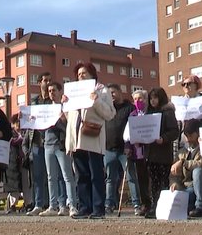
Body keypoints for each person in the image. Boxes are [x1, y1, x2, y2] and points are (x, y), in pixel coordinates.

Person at [63, 63, 115, 219]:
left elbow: (110, 114)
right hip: (77, 139)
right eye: (78, 74)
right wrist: (65, 104)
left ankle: (98, 209)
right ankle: (85, 207)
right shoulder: (73, 92)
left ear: (92, 74)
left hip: (92, 138)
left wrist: (97, 100)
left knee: (96, 175)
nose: (81, 76)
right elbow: (69, 118)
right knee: (81, 175)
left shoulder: (101, 90)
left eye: (84, 73)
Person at [39, 81, 78, 216]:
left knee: (67, 176)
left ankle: (72, 205)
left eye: (54, 90)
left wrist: (63, 120)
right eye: (49, 91)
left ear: (60, 91)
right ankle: (53, 206)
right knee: (51, 177)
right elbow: (41, 127)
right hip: (48, 144)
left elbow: (71, 127)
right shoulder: (46, 108)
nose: (51, 93)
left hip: (61, 144)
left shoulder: (66, 108)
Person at [140, 88, 179, 219]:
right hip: (151, 154)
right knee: (154, 183)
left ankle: (163, 207)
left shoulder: (167, 112)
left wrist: (164, 138)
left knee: (163, 182)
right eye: (151, 98)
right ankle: (154, 206)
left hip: (163, 155)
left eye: (155, 98)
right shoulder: (148, 113)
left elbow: (174, 131)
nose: (153, 101)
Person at [103, 83, 139, 214]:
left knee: (131, 177)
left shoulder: (129, 108)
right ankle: (109, 203)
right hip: (108, 149)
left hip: (124, 150)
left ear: (119, 92)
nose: (111, 95)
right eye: (109, 93)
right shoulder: (107, 109)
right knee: (110, 179)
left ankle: (136, 204)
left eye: (113, 92)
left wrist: (128, 146)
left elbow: (132, 129)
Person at [24, 72, 53, 215]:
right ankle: (38, 204)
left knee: (52, 175)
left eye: (50, 81)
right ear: (39, 82)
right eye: (45, 81)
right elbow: (29, 124)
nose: (48, 83)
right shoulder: (34, 102)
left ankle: (51, 204)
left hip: (51, 142)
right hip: (36, 142)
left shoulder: (54, 101)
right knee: (37, 176)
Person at [169, 121, 202, 218]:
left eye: (191, 135)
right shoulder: (181, 152)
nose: (188, 139)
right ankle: (190, 207)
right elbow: (174, 174)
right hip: (187, 189)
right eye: (186, 136)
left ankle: (201, 207)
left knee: (198, 171)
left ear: (198, 133)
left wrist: (185, 163)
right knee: (175, 200)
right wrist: (174, 184)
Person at [126, 89, 152, 215]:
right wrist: (128, 147)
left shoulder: (151, 113)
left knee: (151, 178)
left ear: (146, 99)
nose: (137, 101)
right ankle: (145, 204)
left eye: (140, 98)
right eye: (135, 99)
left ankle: (155, 203)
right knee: (141, 179)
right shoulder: (132, 115)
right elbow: (127, 134)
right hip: (138, 152)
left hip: (151, 151)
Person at [4, 114, 29, 213]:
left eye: (20, 122)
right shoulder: (10, 134)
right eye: (16, 122)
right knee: (13, 186)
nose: (18, 124)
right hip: (12, 162)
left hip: (24, 162)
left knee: (26, 184)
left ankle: (28, 204)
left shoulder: (26, 133)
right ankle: (12, 205)